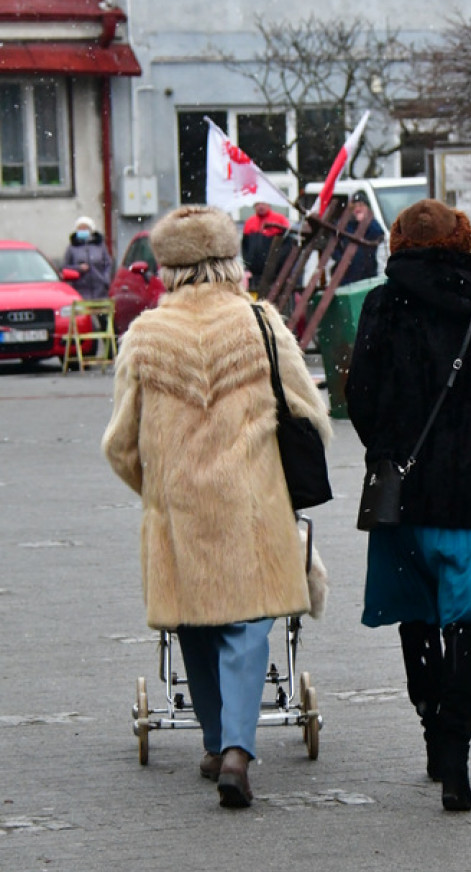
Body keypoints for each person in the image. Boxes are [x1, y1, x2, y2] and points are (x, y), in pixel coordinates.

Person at [102, 204, 331, 809]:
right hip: (250, 505)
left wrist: (158, 492)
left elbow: (120, 444)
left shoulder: (146, 335)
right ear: (231, 261)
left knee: (196, 624)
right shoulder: (260, 324)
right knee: (250, 621)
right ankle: (237, 748)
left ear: (168, 269)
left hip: (181, 509)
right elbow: (309, 413)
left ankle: (213, 740)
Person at [345, 199, 471, 813]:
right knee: (466, 622)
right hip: (469, 493)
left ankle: (431, 721)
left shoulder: (384, 302)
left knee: (417, 612)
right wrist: (470, 444)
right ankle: (457, 756)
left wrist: (387, 447)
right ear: (462, 240)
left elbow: (359, 393)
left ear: (399, 240)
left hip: (403, 494)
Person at [333, 190, 385, 285]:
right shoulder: (344, 226)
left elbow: (379, 235)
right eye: (355, 206)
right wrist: (341, 259)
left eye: (361, 206)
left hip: (367, 277)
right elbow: (334, 248)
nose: (357, 209)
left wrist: (365, 221)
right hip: (346, 278)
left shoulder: (373, 225)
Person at [241, 200, 291, 292]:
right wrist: (248, 265)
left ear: (269, 204)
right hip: (255, 272)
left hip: (276, 272)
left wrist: (278, 263)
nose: (260, 206)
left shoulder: (280, 220)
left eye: (263, 204)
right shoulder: (249, 222)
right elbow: (245, 247)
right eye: (257, 204)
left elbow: (287, 247)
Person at [62, 215, 112, 299]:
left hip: (99, 290)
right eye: (80, 229)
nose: (82, 231)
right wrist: (78, 268)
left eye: (85, 228)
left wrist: (105, 279)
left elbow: (107, 264)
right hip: (80, 289)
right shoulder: (72, 247)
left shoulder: (99, 245)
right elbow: (65, 268)